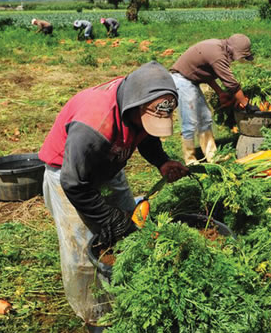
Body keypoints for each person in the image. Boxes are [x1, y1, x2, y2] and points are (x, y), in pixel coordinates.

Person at [38, 61, 189, 327]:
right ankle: (94, 313)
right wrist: (109, 219)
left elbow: (147, 135)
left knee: (131, 227)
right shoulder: (93, 127)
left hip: (108, 162)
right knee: (85, 246)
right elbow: (75, 183)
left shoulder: (140, 98)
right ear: (133, 106)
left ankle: (130, 289)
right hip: (69, 174)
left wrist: (162, 161)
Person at [169, 34, 257, 165]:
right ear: (234, 50)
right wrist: (246, 103)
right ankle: (190, 160)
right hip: (182, 80)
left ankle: (212, 156)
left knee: (205, 117)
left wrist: (220, 92)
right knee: (190, 119)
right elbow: (231, 84)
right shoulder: (218, 54)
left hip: (190, 80)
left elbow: (207, 74)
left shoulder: (219, 48)